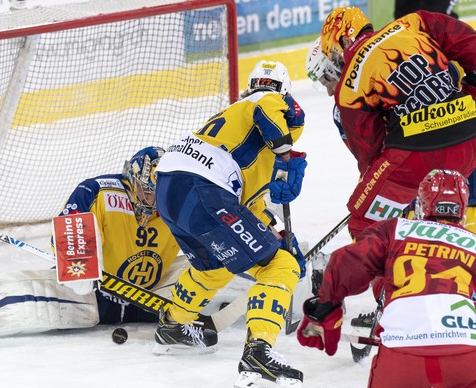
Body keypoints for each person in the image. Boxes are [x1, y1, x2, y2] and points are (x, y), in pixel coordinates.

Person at [0, 146, 186, 345]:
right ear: (132, 181)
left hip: (148, 294)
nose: (154, 202)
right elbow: (71, 226)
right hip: (95, 293)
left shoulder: (178, 202)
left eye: (159, 194)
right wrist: (80, 269)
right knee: (37, 298)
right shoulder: (99, 190)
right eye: (147, 193)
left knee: (206, 275)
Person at [152, 60, 307, 387]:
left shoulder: (235, 124)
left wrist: (276, 234)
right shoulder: (267, 101)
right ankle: (258, 352)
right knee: (281, 267)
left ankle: (174, 323)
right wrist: (284, 147)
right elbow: (268, 108)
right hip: (204, 189)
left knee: (218, 263)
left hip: (170, 187)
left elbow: (246, 209)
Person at [296, 169, 476, 387]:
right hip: (466, 354)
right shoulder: (473, 242)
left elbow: (347, 263)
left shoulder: (396, 228)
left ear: (422, 203)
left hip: (402, 354)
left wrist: (325, 309)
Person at [316, 6, 476, 240]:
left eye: (334, 52)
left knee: (363, 221)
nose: (338, 58)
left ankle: (393, 272)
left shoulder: (349, 82)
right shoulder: (414, 22)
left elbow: (369, 151)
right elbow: (467, 41)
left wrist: (379, 186)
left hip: (417, 154)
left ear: (344, 38)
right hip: (470, 139)